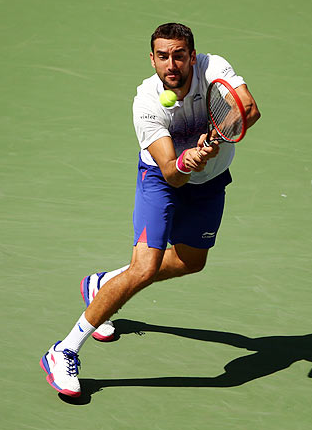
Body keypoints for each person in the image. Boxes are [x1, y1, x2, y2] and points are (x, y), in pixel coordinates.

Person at [40, 22, 261, 397]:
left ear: (192, 55)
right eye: (162, 56)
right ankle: (64, 350)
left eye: (178, 55)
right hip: (162, 179)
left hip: (210, 182)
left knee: (192, 261)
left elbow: (249, 110)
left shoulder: (212, 69)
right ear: (152, 59)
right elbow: (173, 177)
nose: (170, 64)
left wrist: (217, 135)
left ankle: (102, 284)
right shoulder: (146, 102)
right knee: (145, 267)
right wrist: (188, 158)